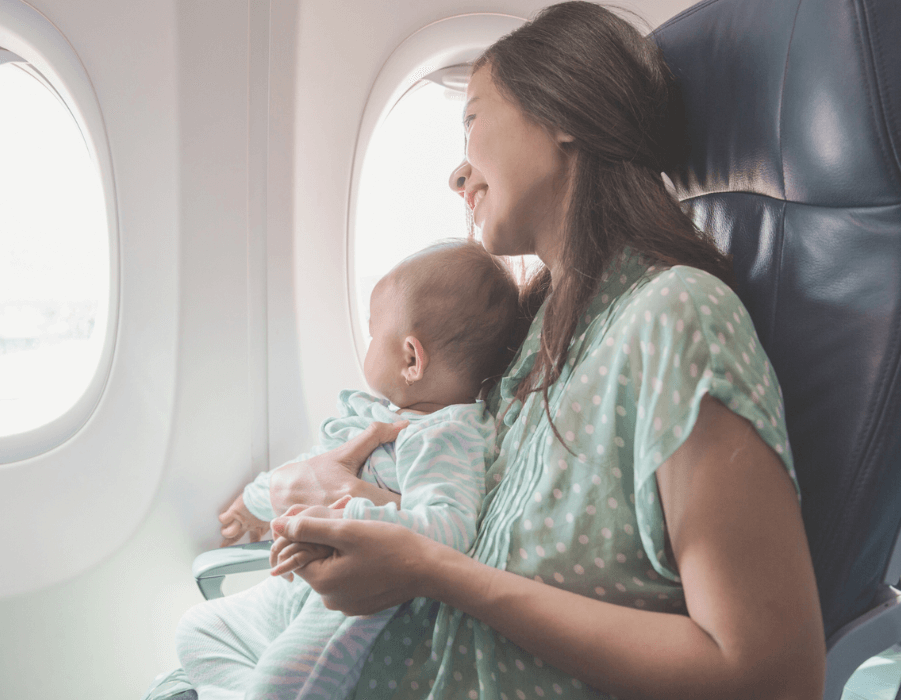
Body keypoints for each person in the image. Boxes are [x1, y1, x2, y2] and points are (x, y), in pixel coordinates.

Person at [264, 3, 827, 699]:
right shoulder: (540, 334)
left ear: (562, 114)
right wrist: (351, 503)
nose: (456, 173)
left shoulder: (676, 319)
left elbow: (770, 676)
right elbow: (484, 527)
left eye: (471, 119)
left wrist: (429, 571)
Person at [175, 239, 523, 700]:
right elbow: (312, 468)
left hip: (351, 606)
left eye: (374, 332)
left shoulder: (446, 436)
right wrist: (256, 501)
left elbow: (450, 530)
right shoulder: (380, 415)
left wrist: (353, 516)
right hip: (293, 588)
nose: (368, 341)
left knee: (278, 688)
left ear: (411, 358)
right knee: (198, 628)